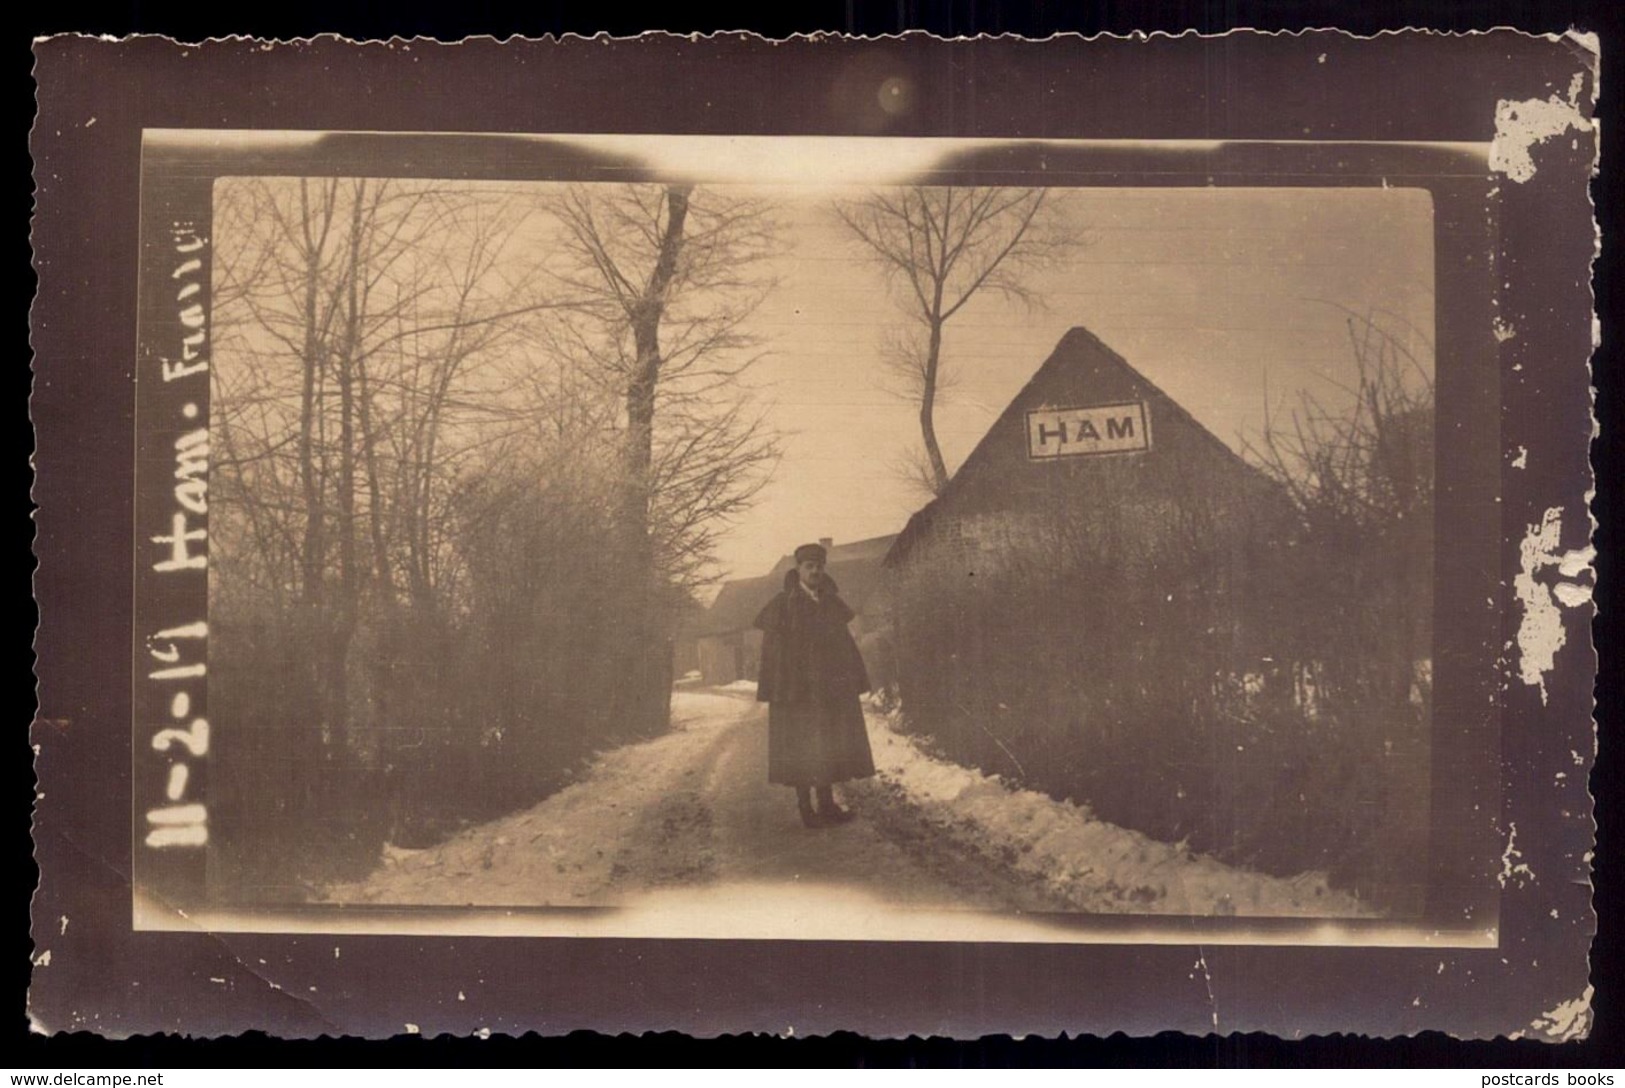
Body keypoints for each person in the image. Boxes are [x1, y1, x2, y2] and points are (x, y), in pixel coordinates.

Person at [753, 542, 877, 827]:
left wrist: (850, 678)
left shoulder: (831, 602)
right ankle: (806, 810)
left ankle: (827, 805)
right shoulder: (783, 605)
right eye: (809, 566)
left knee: (829, 744)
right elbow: (773, 651)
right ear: (798, 569)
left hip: (829, 690)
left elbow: (844, 644)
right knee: (802, 748)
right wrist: (786, 682)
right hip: (796, 692)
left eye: (819, 566)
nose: (815, 571)